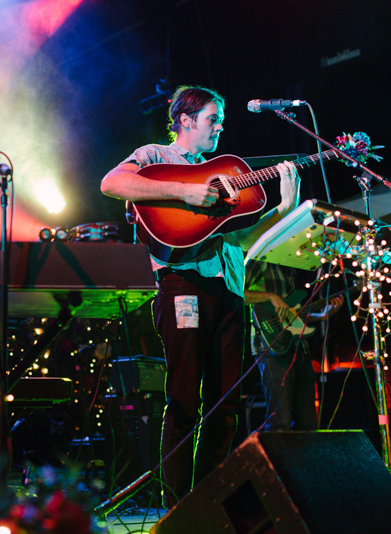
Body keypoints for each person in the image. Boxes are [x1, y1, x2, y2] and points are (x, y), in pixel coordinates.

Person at [100, 85, 301, 507]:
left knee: (225, 405)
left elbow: (239, 240)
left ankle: (211, 507)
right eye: (214, 119)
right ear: (186, 121)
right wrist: (184, 192)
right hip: (181, 284)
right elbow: (111, 183)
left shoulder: (224, 173)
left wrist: (282, 209)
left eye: (221, 120)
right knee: (184, 400)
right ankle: (176, 508)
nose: (220, 126)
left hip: (227, 290)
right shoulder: (156, 156)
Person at [244, 260, 344, 432]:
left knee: (308, 422)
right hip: (270, 344)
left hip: (299, 345)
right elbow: (235, 290)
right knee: (280, 421)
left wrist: (321, 316)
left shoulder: (289, 266)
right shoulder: (260, 258)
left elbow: (292, 313)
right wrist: (270, 296)